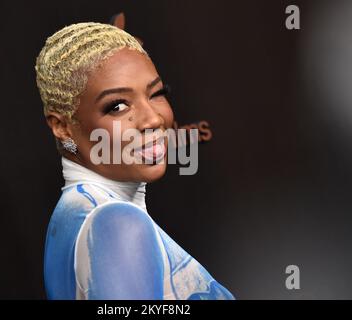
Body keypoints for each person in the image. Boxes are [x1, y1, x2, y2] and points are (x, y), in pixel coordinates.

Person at [35, 22, 234, 300]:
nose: (152, 119)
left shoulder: (75, 214)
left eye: (156, 94)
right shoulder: (116, 224)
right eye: (117, 106)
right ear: (63, 127)